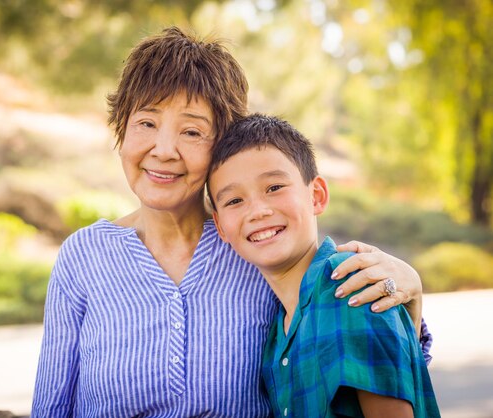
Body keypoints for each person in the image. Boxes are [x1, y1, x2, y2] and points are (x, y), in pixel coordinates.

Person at [31, 27, 430, 417]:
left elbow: (350, 354)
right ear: (121, 130)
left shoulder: (254, 245)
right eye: (146, 123)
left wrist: (410, 296)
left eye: (191, 131)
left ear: (221, 146)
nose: (164, 150)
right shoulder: (83, 257)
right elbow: (51, 407)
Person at [208, 114, 440, 417]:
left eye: (274, 187)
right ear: (220, 227)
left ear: (316, 196)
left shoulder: (348, 285)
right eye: (234, 201)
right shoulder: (278, 330)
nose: (258, 211)